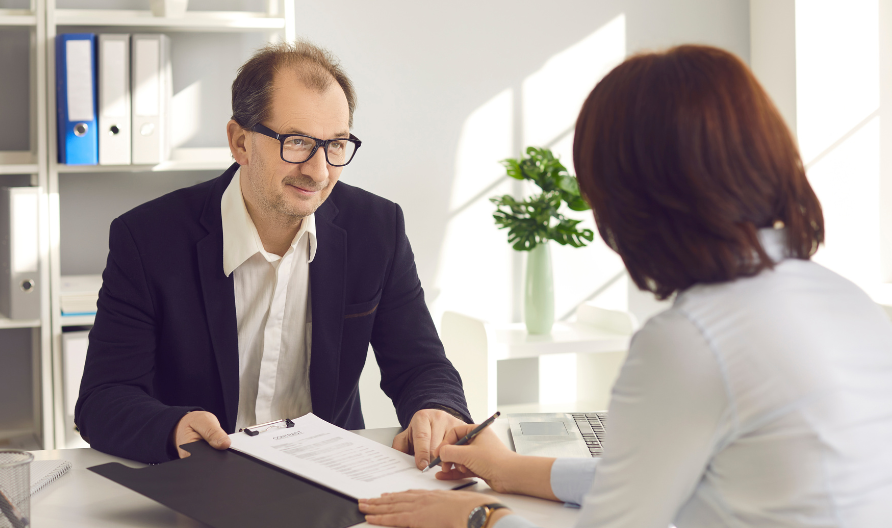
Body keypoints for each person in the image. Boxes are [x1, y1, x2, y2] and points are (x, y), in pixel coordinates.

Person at [359, 45, 892, 528]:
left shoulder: (692, 339)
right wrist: (510, 470)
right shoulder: (850, 303)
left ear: (634, 198)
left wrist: (477, 516)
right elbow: (648, 475)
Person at [74, 41, 471, 465]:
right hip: (203, 477)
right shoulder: (148, 238)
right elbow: (103, 398)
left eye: (336, 145)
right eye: (298, 142)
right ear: (240, 142)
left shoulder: (377, 228)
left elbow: (421, 365)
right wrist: (173, 429)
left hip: (330, 476)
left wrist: (437, 408)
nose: (318, 172)